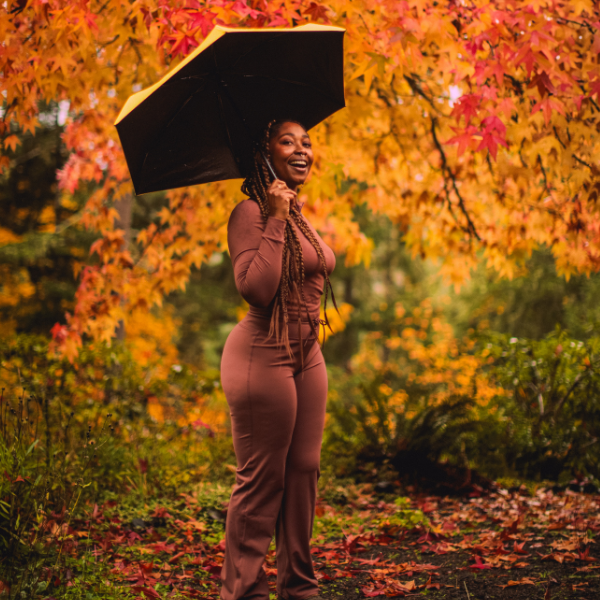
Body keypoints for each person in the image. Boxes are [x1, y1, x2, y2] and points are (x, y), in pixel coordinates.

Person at [220, 119, 336, 600]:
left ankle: (299, 588)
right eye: (288, 141)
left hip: (308, 355)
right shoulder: (250, 212)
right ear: (262, 152)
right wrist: (273, 216)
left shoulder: (300, 214)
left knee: (303, 470)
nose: (302, 149)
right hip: (262, 355)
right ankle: (242, 591)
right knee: (262, 480)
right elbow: (257, 288)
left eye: (307, 141)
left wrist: (287, 215)